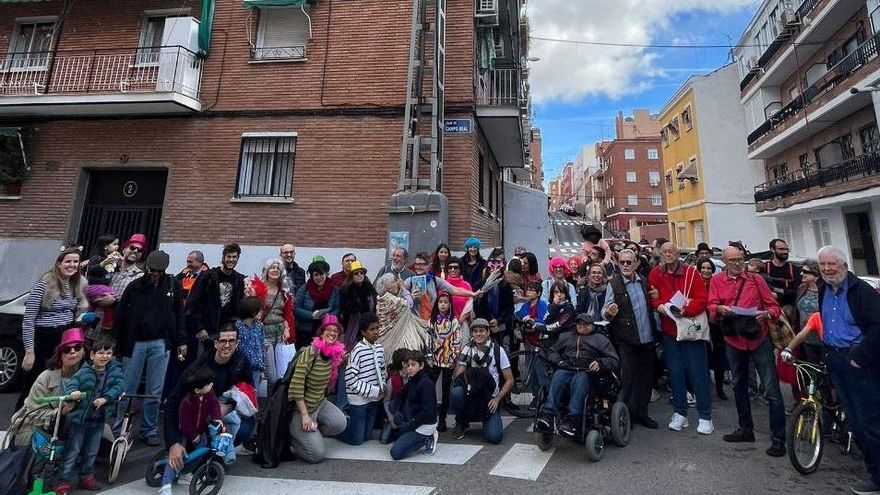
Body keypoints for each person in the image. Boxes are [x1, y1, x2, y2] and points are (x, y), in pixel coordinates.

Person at [813, 245, 880, 495]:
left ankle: (877, 477)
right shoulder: (824, 290)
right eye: (823, 265)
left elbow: (877, 327)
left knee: (869, 422)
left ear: (844, 265)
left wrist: (859, 358)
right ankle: (874, 473)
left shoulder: (861, 291)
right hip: (835, 360)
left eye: (832, 264)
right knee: (854, 420)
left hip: (859, 364)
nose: (828, 269)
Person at [707, 246, 784, 456]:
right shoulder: (717, 281)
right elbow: (711, 306)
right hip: (734, 340)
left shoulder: (756, 280)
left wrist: (767, 314)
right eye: (732, 260)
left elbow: (774, 307)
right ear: (724, 261)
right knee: (739, 386)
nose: (737, 263)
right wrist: (720, 309)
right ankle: (745, 429)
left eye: (740, 259)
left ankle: (778, 439)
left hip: (758, 339)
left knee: (772, 390)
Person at [113, 250, 188, 446]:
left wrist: (180, 341)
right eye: (153, 270)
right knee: (127, 387)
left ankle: (149, 430)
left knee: (155, 389)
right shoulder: (135, 287)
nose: (155, 274)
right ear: (147, 268)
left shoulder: (173, 286)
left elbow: (179, 314)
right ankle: (118, 428)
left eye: (159, 271)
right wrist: (118, 344)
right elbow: (120, 316)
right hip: (134, 341)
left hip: (161, 341)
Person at [7, 328, 87, 495]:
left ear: (84, 351)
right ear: (60, 355)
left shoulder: (89, 376)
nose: (72, 352)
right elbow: (32, 413)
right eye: (67, 349)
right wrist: (59, 413)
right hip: (37, 427)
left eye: (77, 347)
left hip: (72, 429)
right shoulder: (46, 377)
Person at [164, 325, 255, 472]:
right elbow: (173, 401)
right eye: (223, 341)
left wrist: (229, 406)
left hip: (226, 410)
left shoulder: (242, 363)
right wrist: (172, 442)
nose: (227, 345)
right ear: (215, 343)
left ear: (237, 344)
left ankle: (221, 453)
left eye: (232, 341)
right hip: (199, 412)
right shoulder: (199, 367)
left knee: (245, 426)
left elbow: (250, 395)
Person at [648, 242, 713, 434]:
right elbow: (653, 296)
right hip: (669, 331)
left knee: (698, 373)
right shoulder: (655, 274)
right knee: (675, 374)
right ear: (660, 254)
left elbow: (702, 298)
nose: (668, 254)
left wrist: (686, 310)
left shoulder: (692, 273)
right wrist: (659, 306)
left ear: (678, 254)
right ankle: (680, 413)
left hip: (690, 331)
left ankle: (705, 416)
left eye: (671, 251)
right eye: (665, 252)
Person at [17, 246, 89, 411]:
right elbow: (28, 319)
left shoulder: (78, 284)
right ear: (58, 263)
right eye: (68, 261)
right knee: (33, 386)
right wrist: (29, 351)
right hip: (43, 338)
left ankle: (48, 427)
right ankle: (20, 427)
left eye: (75, 262)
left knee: (57, 386)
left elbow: (78, 313)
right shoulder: (44, 284)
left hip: (65, 339)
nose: (72, 265)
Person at [536, 314, 619, 436]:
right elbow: (552, 351)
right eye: (579, 324)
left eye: (585, 324)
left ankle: (572, 420)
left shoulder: (600, 339)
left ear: (592, 326)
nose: (582, 327)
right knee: (558, 375)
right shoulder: (566, 336)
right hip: (567, 367)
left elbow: (614, 359)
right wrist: (559, 361)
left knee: (580, 379)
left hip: (588, 371)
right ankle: (547, 416)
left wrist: (600, 363)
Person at [602, 249, 658, 429]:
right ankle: (626, 417)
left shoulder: (644, 282)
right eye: (622, 262)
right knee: (628, 379)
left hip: (647, 338)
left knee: (646, 378)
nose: (625, 265)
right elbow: (606, 310)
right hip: (626, 339)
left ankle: (642, 414)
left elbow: (652, 306)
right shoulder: (614, 283)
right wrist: (608, 313)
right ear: (618, 264)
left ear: (636, 264)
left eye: (629, 262)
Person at [60, 336, 124, 492]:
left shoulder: (114, 372)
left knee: (91, 452)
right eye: (101, 353)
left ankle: (86, 477)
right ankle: (63, 480)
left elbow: (119, 386)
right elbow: (72, 384)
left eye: (108, 353)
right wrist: (73, 392)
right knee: (73, 451)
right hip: (80, 420)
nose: (105, 356)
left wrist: (106, 398)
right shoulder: (84, 372)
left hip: (98, 419)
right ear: (92, 355)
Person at [288, 315, 348, 463]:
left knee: (340, 423)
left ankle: (312, 434)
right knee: (316, 456)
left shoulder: (334, 354)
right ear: (321, 333)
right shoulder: (311, 352)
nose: (332, 333)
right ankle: (292, 438)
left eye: (336, 331)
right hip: (301, 409)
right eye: (329, 329)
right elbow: (296, 385)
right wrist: (305, 415)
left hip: (319, 403)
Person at [449, 318, 514, 444]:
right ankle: (462, 421)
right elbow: (458, 377)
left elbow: (510, 380)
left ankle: (488, 419)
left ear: (488, 332)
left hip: (490, 399)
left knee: (494, 437)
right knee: (456, 392)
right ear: (472, 333)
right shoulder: (467, 350)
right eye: (475, 331)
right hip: (471, 395)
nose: (478, 334)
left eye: (482, 331)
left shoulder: (497, 350)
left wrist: (497, 399)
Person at [160, 367, 222, 495]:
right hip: (185, 432)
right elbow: (185, 422)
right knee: (176, 456)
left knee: (202, 451)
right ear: (198, 389)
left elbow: (215, 405)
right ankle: (166, 484)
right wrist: (192, 436)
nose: (211, 385)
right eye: (208, 384)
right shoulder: (187, 403)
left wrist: (217, 419)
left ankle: (187, 472)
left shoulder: (209, 394)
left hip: (201, 430)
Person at [338, 314, 386, 445]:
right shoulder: (357, 351)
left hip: (374, 398)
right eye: (372, 329)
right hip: (359, 399)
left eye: (377, 328)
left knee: (367, 436)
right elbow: (350, 379)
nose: (376, 331)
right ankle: (336, 429)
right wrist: (373, 390)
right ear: (363, 332)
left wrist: (383, 385)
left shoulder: (380, 348)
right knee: (357, 440)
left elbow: (382, 370)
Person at [187, 243, 247, 348]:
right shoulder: (208, 276)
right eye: (229, 256)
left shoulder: (239, 279)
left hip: (228, 332)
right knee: (205, 362)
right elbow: (194, 302)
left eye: (234, 257)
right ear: (223, 257)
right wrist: (200, 328)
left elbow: (240, 307)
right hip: (208, 332)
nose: (231, 260)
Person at [246, 257, 295, 381]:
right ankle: (270, 398)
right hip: (263, 334)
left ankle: (276, 398)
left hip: (279, 334)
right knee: (271, 374)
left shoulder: (284, 290)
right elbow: (250, 310)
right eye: (272, 267)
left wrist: (287, 328)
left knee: (283, 372)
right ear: (267, 270)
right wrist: (251, 297)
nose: (275, 270)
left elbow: (286, 314)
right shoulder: (257, 288)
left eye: (278, 268)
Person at [390, 350, 438, 459]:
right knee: (393, 405)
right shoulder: (413, 380)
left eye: (413, 365)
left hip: (425, 425)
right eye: (407, 365)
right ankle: (406, 435)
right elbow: (400, 395)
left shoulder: (425, 384)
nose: (409, 368)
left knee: (395, 453)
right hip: (414, 417)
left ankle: (427, 438)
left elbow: (428, 413)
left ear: (421, 366)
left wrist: (409, 426)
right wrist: (397, 412)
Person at [405, 251, 478, 321]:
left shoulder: (435, 280)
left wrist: (472, 293)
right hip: (414, 322)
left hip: (431, 321)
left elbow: (454, 290)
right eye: (416, 264)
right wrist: (411, 298)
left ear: (429, 265)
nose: (417, 267)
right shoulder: (409, 282)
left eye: (421, 264)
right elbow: (399, 301)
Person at [430, 292, 462, 432]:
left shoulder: (454, 321)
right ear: (437, 304)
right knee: (430, 387)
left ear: (450, 305)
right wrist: (429, 356)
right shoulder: (433, 320)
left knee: (445, 389)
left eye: (445, 302)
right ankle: (430, 416)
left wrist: (454, 357)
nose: (443, 304)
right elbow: (429, 339)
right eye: (440, 302)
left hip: (448, 360)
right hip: (435, 360)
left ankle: (442, 418)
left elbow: (457, 340)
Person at [698, 258, 728, 400]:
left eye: (709, 268)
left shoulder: (718, 283)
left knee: (719, 357)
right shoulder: (695, 283)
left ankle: (720, 387)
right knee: (703, 357)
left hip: (716, 323)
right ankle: (705, 387)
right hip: (700, 322)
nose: (706, 270)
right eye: (703, 268)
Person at [294, 259, 340, 349]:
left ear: (326, 274)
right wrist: (311, 315)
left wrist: (328, 316)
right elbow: (296, 308)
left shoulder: (334, 289)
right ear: (312, 276)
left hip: (327, 331)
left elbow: (337, 308)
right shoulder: (304, 289)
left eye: (321, 274)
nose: (319, 277)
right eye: (316, 275)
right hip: (306, 331)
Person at [473, 248, 514, 347]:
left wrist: (498, 320)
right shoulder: (481, 285)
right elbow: (476, 307)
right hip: (484, 326)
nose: (494, 270)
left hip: (502, 327)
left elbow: (509, 308)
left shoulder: (505, 286)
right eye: (492, 267)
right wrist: (489, 320)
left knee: (501, 353)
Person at [338, 261, 377, 350]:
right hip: (352, 326)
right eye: (356, 273)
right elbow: (344, 310)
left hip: (368, 324)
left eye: (361, 273)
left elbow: (374, 305)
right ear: (352, 276)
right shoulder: (346, 291)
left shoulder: (370, 289)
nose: (359, 275)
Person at [794, 259, 822, 364]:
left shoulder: (825, 290)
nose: (801, 273)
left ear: (816, 275)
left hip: (822, 339)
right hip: (806, 339)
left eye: (805, 272)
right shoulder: (801, 288)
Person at [235, 296, 265, 387]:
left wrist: (262, 369)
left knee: (253, 394)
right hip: (241, 369)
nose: (262, 312)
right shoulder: (238, 327)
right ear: (252, 311)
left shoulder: (260, 326)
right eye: (259, 310)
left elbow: (262, 347)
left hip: (255, 368)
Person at [764, 239, 802, 308]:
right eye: (781, 249)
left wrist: (777, 292)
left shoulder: (794, 269)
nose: (785, 252)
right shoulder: (764, 268)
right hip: (768, 308)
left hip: (789, 308)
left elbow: (799, 292)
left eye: (787, 249)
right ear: (772, 249)